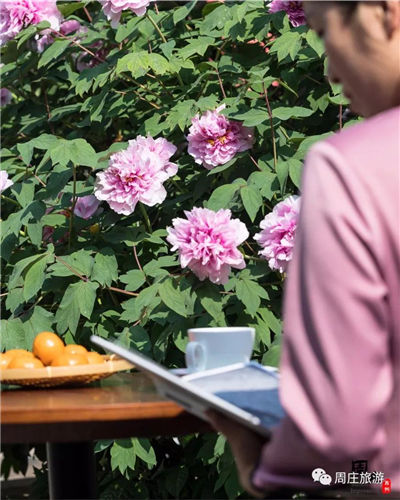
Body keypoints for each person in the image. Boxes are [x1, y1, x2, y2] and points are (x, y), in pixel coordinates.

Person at [207, 1, 400, 498]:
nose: (332, 72)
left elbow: (341, 441)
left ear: (384, 12)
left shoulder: (352, 170)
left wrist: (268, 470)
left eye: (321, 31)